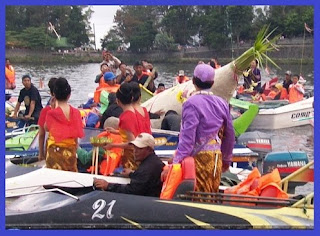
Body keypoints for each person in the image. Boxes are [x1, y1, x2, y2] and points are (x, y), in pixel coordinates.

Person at [162, 64, 235, 194]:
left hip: (198, 159)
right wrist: (226, 159)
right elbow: (229, 134)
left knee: (198, 197)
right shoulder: (222, 102)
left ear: (194, 81)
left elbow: (188, 138)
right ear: (212, 83)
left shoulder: (191, 103)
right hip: (216, 158)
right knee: (212, 195)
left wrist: (176, 161)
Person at [93, 133, 164, 197]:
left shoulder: (148, 168)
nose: (135, 151)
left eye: (139, 148)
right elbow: (144, 180)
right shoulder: (153, 162)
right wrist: (132, 174)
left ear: (149, 149)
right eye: (134, 147)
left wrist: (108, 186)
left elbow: (132, 191)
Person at [104, 82, 151, 170]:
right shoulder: (135, 112)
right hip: (143, 148)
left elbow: (133, 144)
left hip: (132, 157)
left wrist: (113, 145)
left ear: (117, 101)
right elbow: (134, 133)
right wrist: (116, 132)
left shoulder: (126, 116)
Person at [44, 77, 84, 172]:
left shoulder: (52, 113)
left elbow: (46, 128)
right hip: (70, 150)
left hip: (54, 151)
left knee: (53, 179)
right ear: (69, 95)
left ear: (54, 94)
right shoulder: (76, 112)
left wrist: (53, 108)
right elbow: (76, 134)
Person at [38, 77, 57, 161]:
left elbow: (41, 134)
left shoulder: (46, 111)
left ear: (50, 92)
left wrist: (41, 154)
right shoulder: (70, 110)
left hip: (51, 149)